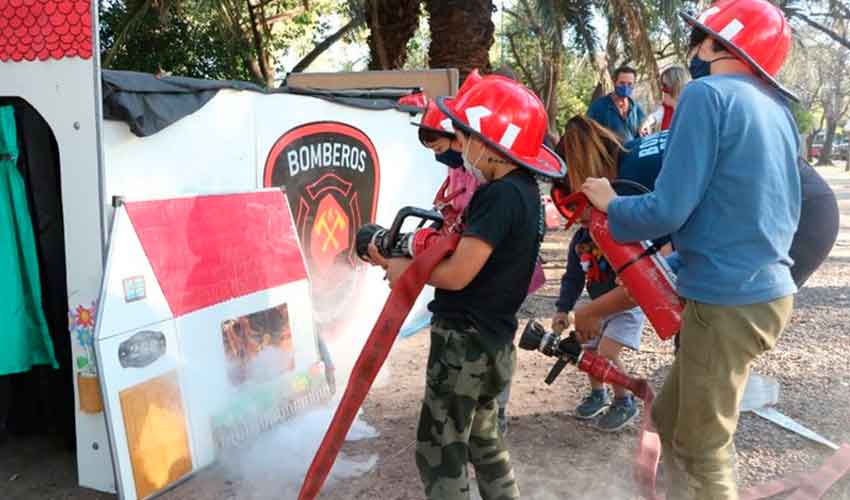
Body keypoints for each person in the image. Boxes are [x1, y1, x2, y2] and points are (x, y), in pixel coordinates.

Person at [580, 1, 800, 498]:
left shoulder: (705, 94)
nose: (695, 48)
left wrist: (612, 203)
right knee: (668, 417)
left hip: (728, 302)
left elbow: (667, 209)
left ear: (721, 43)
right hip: (761, 295)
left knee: (704, 449)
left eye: (701, 37)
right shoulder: (776, 108)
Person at [370, 75, 566, 500]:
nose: (459, 144)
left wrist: (407, 270)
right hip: (495, 340)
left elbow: (459, 275)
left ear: (493, 143)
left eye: (465, 135)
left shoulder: (497, 196)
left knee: (439, 450)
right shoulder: (526, 193)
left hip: (465, 341)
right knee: (483, 439)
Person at [552, 117, 672, 431]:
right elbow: (573, 277)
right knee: (592, 351)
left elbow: (645, 281)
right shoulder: (631, 160)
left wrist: (587, 311)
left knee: (605, 353)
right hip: (605, 305)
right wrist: (566, 309)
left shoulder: (628, 185)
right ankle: (602, 395)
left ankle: (626, 401)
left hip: (621, 309)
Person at [587, 65, 646, 142]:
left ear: (634, 85)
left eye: (629, 84)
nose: (625, 87)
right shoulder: (599, 106)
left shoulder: (635, 107)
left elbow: (642, 130)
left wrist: (644, 129)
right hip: (609, 153)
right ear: (614, 82)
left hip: (633, 152)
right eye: (622, 83)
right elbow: (587, 132)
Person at [640, 66, 690, 134]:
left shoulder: (691, 110)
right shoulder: (666, 108)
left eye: (665, 86)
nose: (662, 90)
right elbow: (655, 116)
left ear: (676, 87)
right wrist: (647, 123)